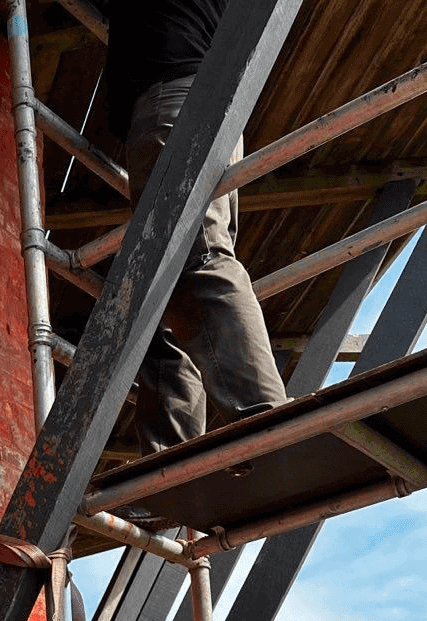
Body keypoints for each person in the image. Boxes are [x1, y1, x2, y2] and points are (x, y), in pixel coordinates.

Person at [103, 0, 288, 455]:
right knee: (171, 288)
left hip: (173, 100)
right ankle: (173, 458)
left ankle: (268, 424)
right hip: (206, 104)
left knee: (193, 260)